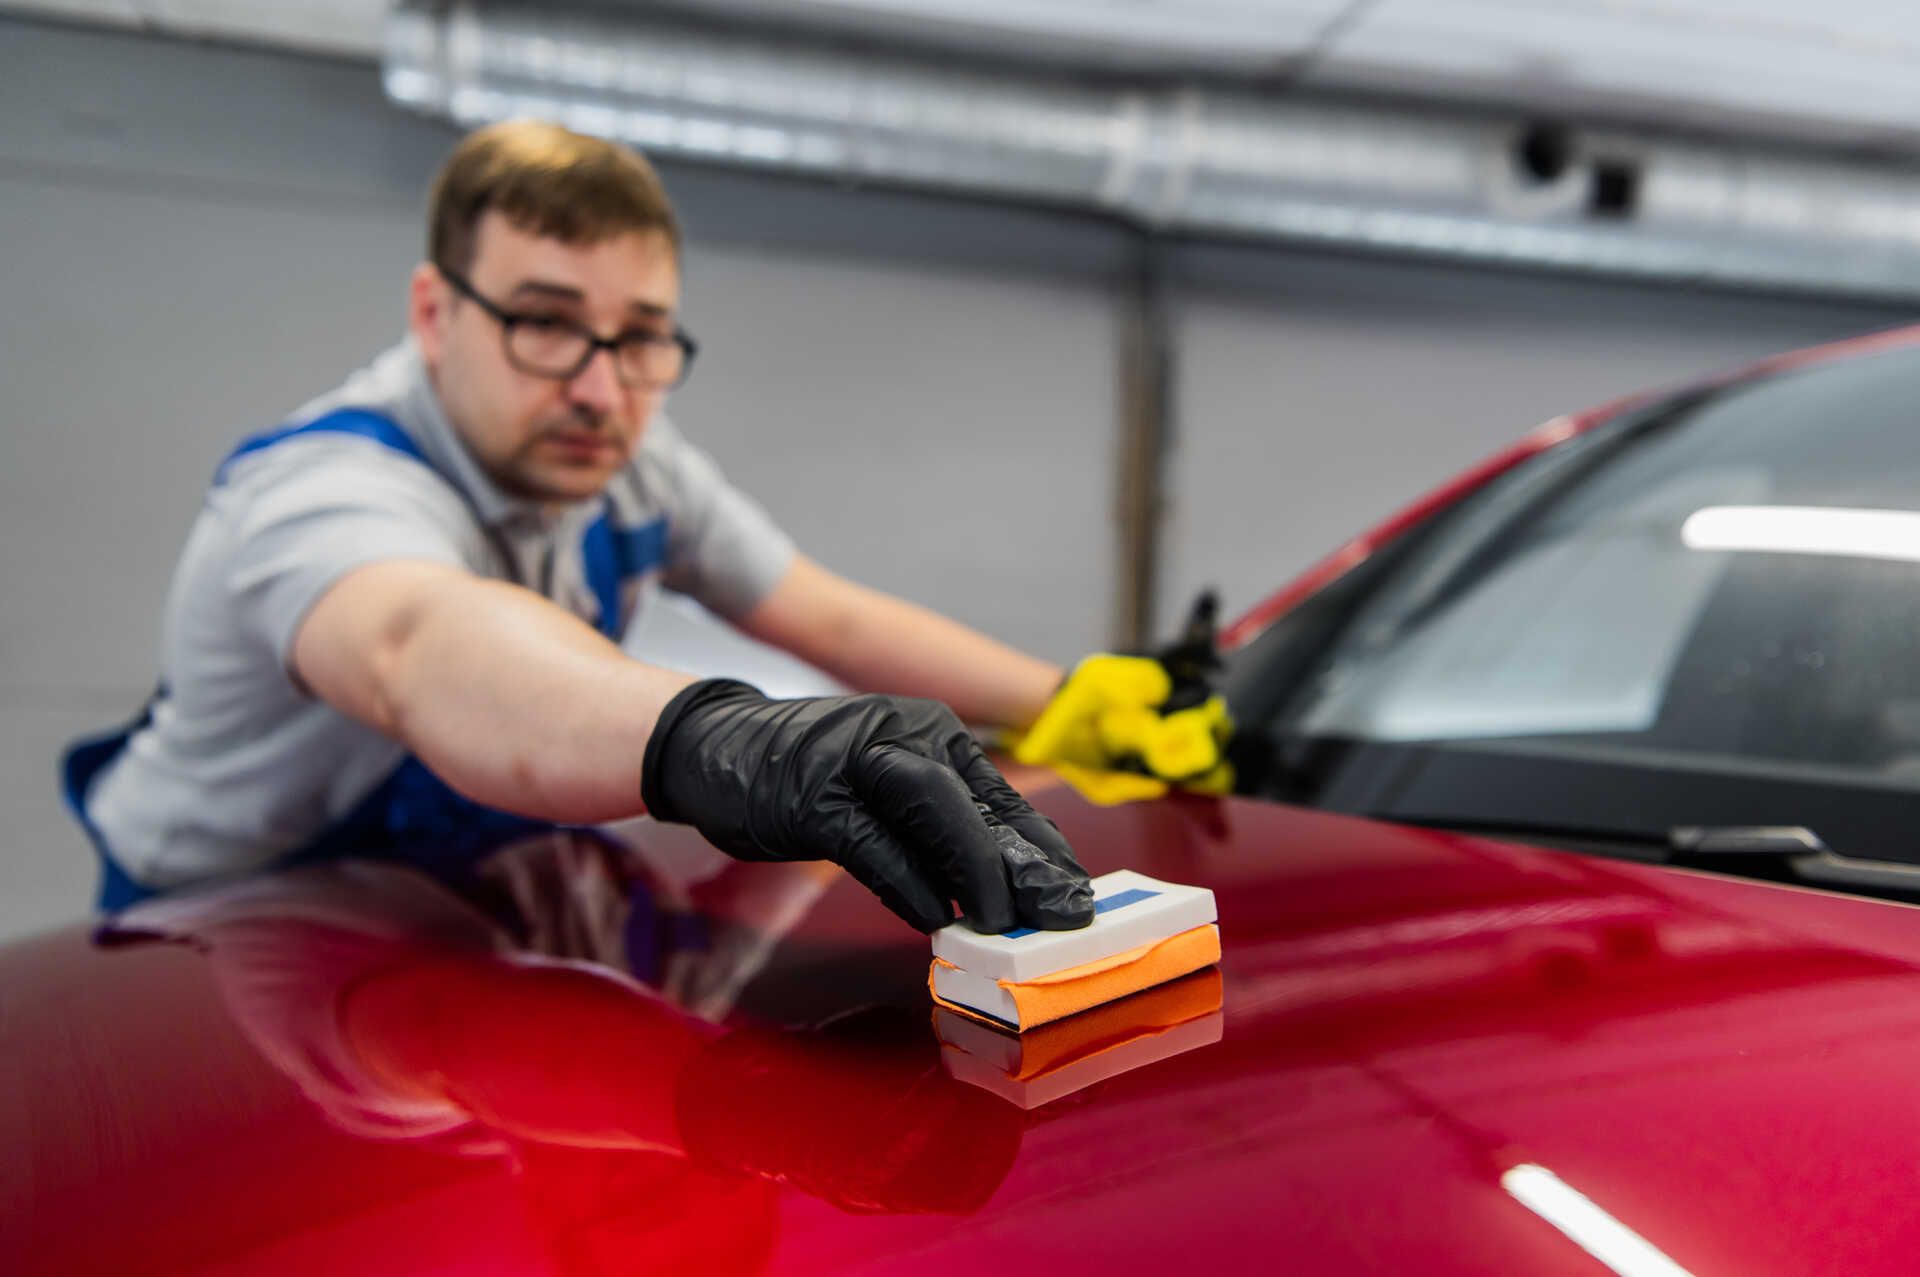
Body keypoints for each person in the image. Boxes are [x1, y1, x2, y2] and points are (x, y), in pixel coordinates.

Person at [62, 120, 1219, 932]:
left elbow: (825, 610)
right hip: (214, 939)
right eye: (545, 323)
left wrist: (1061, 700)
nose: (601, 391)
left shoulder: (631, 460)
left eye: (640, 337)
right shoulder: (315, 495)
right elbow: (419, 645)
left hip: (445, 916)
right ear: (434, 313)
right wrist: (710, 736)